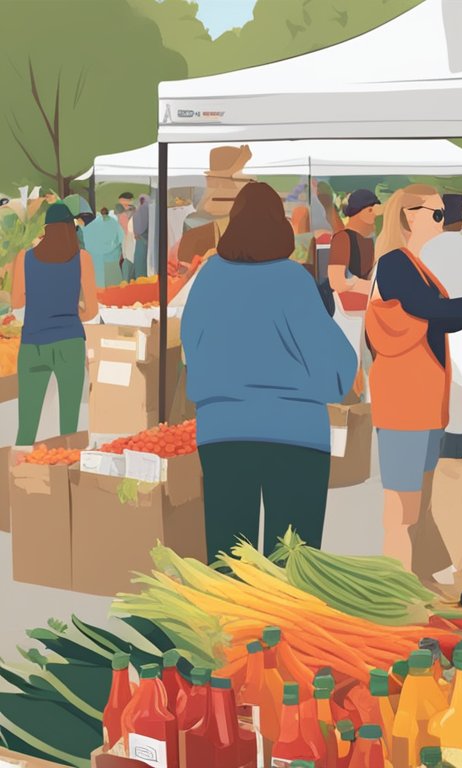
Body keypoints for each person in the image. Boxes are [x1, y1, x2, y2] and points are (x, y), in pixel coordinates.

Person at [181, 183, 356, 559]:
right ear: (281, 226)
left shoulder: (209, 278)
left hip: (223, 432)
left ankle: (230, 619)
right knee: (294, 563)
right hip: (296, 435)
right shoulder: (293, 280)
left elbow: (190, 353)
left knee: (230, 562)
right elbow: (336, 368)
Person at [366, 185, 462, 569]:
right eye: (435, 213)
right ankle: (395, 584)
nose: (442, 220)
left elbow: (437, 308)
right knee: (402, 503)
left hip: (423, 397)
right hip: (405, 398)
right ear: (408, 216)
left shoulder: (414, 263)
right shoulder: (397, 262)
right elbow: (428, 309)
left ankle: (416, 575)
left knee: (417, 498)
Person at [10, 204, 99, 446]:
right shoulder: (82, 259)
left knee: (27, 423)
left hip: (32, 344)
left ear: (46, 230)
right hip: (69, 342)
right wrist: (69, 313)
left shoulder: (24, 258)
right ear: (71, 228)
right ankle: (63, 474)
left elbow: (17, 301)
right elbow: (92, 310)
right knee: (68, 423)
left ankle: (18, 472)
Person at [418, 194, 462, 461]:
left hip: (431, 332)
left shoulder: (423, 252)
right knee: (461, 405)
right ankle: (452, 464)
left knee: (434, 402)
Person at [327, 188, 379, 311]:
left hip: (370, 303)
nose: (375, 214)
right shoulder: (342, 239)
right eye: (370, 210)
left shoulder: (372, 240)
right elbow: (337, 282)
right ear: (358, 212)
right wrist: (371, 288)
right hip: (348, 306)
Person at [81, 208, 125, 287]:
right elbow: (121, 237)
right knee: (113, 281)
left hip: (100, 258)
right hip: (113, 257)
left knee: (102, 280)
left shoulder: (95, 223)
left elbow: (87, 234)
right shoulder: (114, 223)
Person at [129, 194, 151, 280]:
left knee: (140, 267)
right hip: (146, 242)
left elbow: (137, 230)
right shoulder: (151, 210)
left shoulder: (138, 211)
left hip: (141, 242)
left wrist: (137, 233)